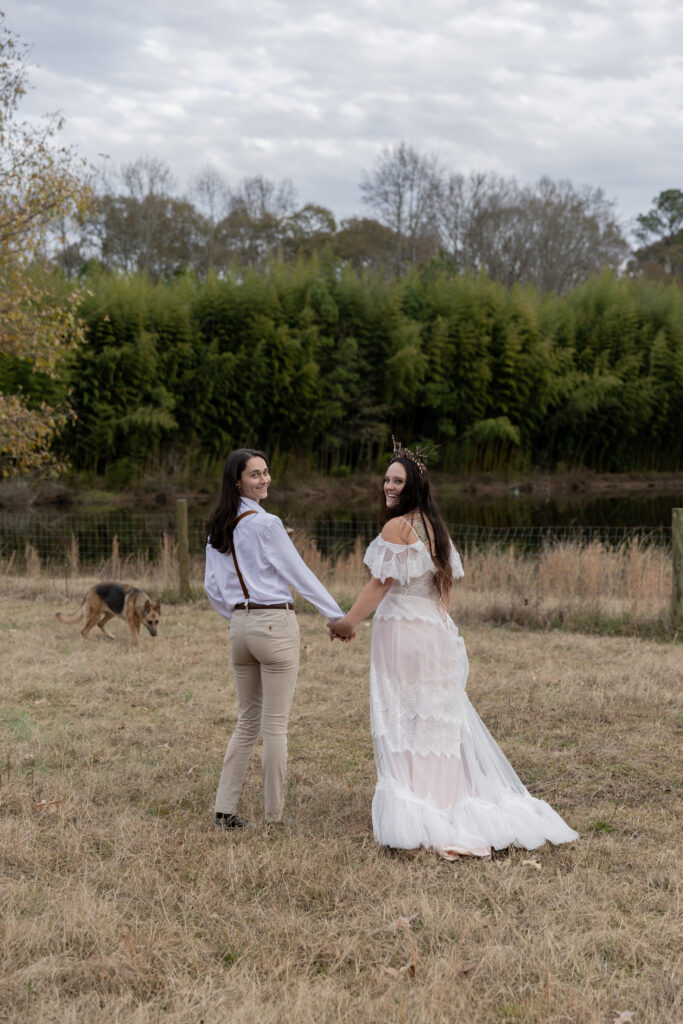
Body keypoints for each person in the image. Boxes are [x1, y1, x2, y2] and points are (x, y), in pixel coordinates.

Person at [328, 439, 578, 858]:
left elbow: (379, 584)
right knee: (434, 720)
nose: (388, 486)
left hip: (404, 634)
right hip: (433, 631)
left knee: (404, 716)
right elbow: (444, 590)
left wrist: (347, 622)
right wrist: (447, 634)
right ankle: (442, 800)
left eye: (397, 480)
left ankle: (419, 808)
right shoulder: (435, 527)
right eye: (386, 479)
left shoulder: (397, 528)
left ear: (413, 486)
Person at [205, 448, 345, 830]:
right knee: (275, 726)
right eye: (254, 475)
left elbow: (211, 587)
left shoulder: (218, 527)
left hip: (240, 628)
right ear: (237, 481)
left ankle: (224, 809)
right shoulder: (266, 525)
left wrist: (238, 617)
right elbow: (299, 574)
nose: (264, 480)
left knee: (247, 721)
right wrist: (336, 616)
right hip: (274, 625)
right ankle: (273, 817)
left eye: (266, 473)